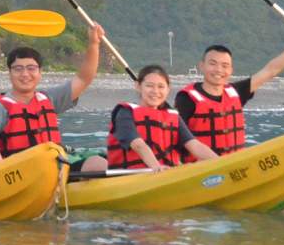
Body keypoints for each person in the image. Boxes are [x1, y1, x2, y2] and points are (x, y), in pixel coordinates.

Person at [173, 25, 284, 158]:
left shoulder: (236, 92)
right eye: (213, 64)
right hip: (202, 172)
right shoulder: (186, 99)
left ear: (231, 70)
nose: (219, 70)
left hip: (235, 169)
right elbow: (176, 137)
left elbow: (271, 70)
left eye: (225, 65)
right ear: (201, 66)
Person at [0, 24, 104, 156]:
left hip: (56, 167)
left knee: (97, 162)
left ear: (40, 73)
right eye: (18, 69)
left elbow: (84, 79)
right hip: (18, 172)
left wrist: (94, 43)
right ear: (9, 73)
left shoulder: (48, 99)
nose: (25, 74)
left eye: (31, 68)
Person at [81, 65, 218, 173]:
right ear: (138, 86)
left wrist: (221, 163)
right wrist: (156, 167)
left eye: (161, 87)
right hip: (135, 175)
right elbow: (137, 144)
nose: (155, 91)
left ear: (168, 89)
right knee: (94, 162)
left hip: (166, 173)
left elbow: (194, 145)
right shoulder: (125, 112)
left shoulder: (173, 117)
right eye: (149, 86)